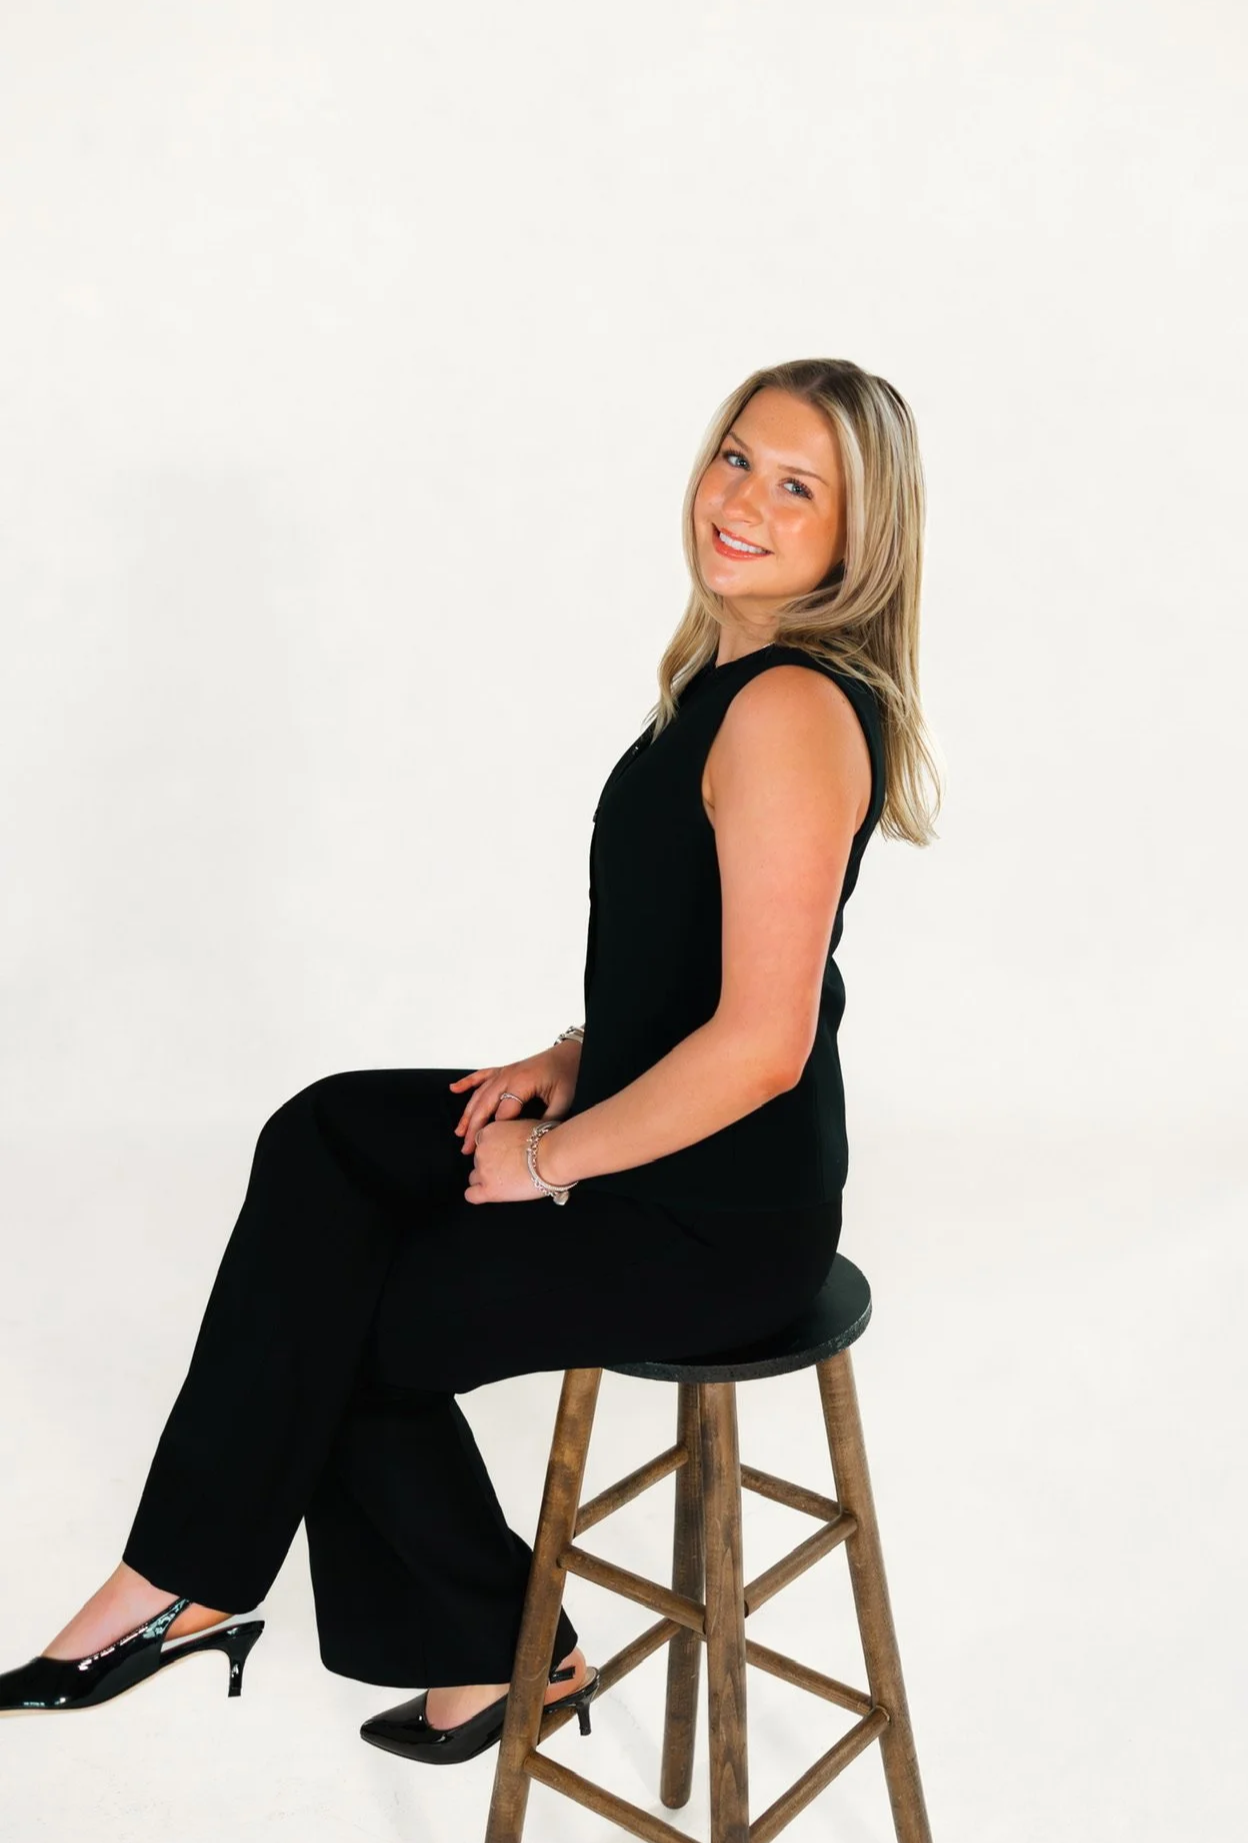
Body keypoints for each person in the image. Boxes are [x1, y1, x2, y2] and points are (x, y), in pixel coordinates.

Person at [0, 358, 940, 1765]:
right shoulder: (729, 676)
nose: (740, 499)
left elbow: (764, 1041)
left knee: (334, 1325)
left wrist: (552, 1156)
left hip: (720, 1218)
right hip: (646, 1122)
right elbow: (705, 954)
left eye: (795, 486)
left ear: (859, 540)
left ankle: (422, 1631)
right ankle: (255, 1593)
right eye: (736, 456)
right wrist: (573, 1054)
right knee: (325, 1138)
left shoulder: (792, 714)